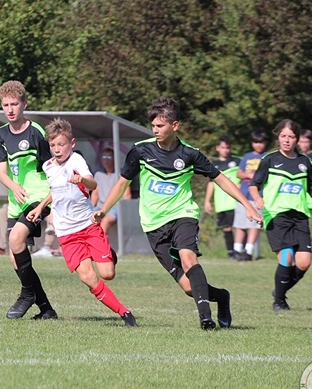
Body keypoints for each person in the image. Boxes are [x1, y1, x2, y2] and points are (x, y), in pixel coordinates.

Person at [93, 97, 262, 330]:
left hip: (183, 214)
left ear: (174, 125)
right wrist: (103, 210)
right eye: (153, 125)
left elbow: (220, 179)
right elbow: (122, 184)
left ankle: (206, 319)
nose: (155, 130)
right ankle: (222, 297)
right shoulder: (141, 150)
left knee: (188, 257)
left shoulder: (190, 154)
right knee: (189, 287)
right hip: (153, 223)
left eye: (160, 125)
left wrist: (247, 205)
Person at [28, 118, 136, 326]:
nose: (57, 149)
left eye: (61, 144)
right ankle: (124, 313)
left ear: (72, 143)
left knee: (108, 274)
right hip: (66, 233)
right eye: (53, 145)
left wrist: (82, 180)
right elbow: (55, 191)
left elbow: (93, 184)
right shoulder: (48, 166)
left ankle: (108, 254)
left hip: (87, 226)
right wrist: (40, 207)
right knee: (88, 277)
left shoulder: (76, 160)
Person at [248, 120, 312, 311]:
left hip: (300, 215)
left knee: (304, 263)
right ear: (278, 137)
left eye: (291, 137)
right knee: (286, 257)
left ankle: (278, 291)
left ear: (297, 139)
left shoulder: (305, 162)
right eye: (283, 136)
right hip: (276, 214)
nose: (287, 140)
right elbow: (254, 185)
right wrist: (257, 199)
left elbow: (311, 189)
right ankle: (279, 301)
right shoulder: (269, 159)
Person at [0, 80, 57, 320]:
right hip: (16, 201)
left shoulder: (36, 132)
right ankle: (46, 309)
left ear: (24, 105)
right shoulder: (0, 135)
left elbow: (51, 169)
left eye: (14, 104)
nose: (10, 109)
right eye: (6, 105)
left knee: (15, 239)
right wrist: (14, 186)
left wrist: (50, 203)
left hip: (38, 198)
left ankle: (26, 295)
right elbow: (2, 173)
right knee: (16, 257)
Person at [233, 129, 268, 261]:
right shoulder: (247, 156)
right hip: (244, 195)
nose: (258, 145)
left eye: (261, 142)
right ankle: (236, 250)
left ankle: (248, 251)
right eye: (256, 142)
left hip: (258, 196)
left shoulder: (267, 157)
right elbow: (239, 173)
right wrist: (248, 175)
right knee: (240, 223)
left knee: (254, 224)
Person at [204, 136, 242, 259]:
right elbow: (211, 183)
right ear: (217, 148)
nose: (225, 150)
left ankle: (241, 251)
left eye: (227, 148)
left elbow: (244, 177)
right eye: (223, 147)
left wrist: (242, 185)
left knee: (239, 226)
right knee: (226, 228)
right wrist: (207, 201)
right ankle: (231, 252)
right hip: (221, 203)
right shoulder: (214, 165)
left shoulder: (237, 162)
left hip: (235, 202)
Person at [91, 147, 132, 238]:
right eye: (104, 157)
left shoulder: (121, 174)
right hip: (100, 206)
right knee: (87, 219)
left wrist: (127, 213)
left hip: (116, 207)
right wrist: (91, 208)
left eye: (109, 157)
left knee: (105, 220)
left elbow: (127, 195)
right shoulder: (98, 174)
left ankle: (100, 243)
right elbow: (95, 194)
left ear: (114, 159)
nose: (106, 160)